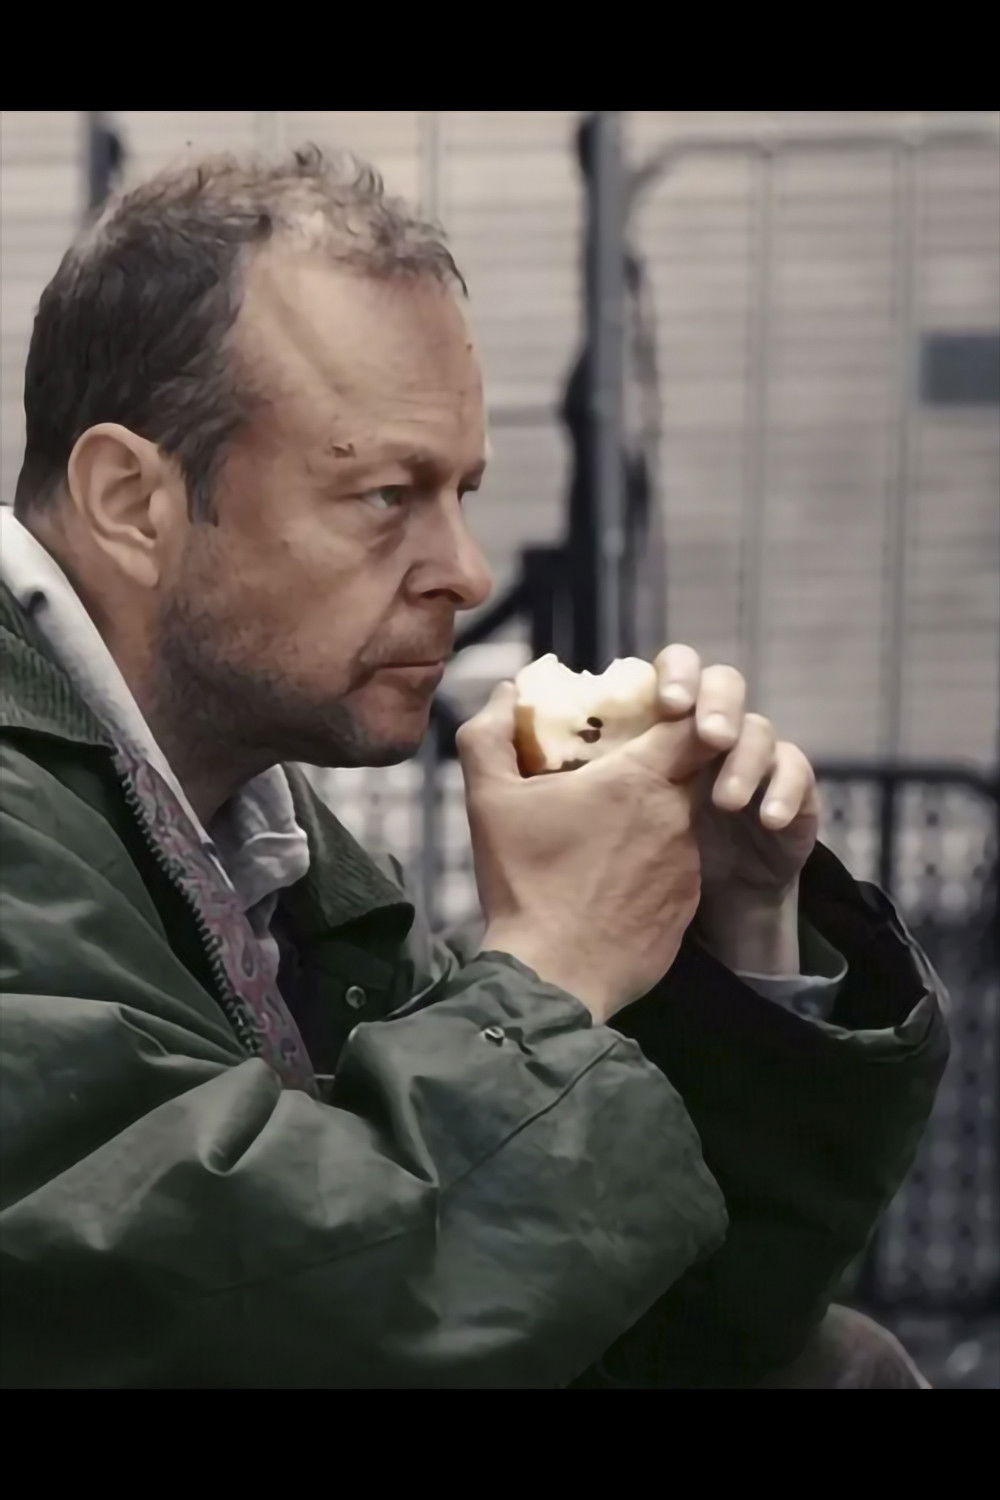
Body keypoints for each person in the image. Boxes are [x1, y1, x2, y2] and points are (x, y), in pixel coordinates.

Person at [0, 146, 946, 1389]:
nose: (468, 570)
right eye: (387, 495)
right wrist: (553, 960)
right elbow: (270, 1325)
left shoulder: (256, 830)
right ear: (132, 500)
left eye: (463, 492)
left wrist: (733, 933)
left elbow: (648, 1321)